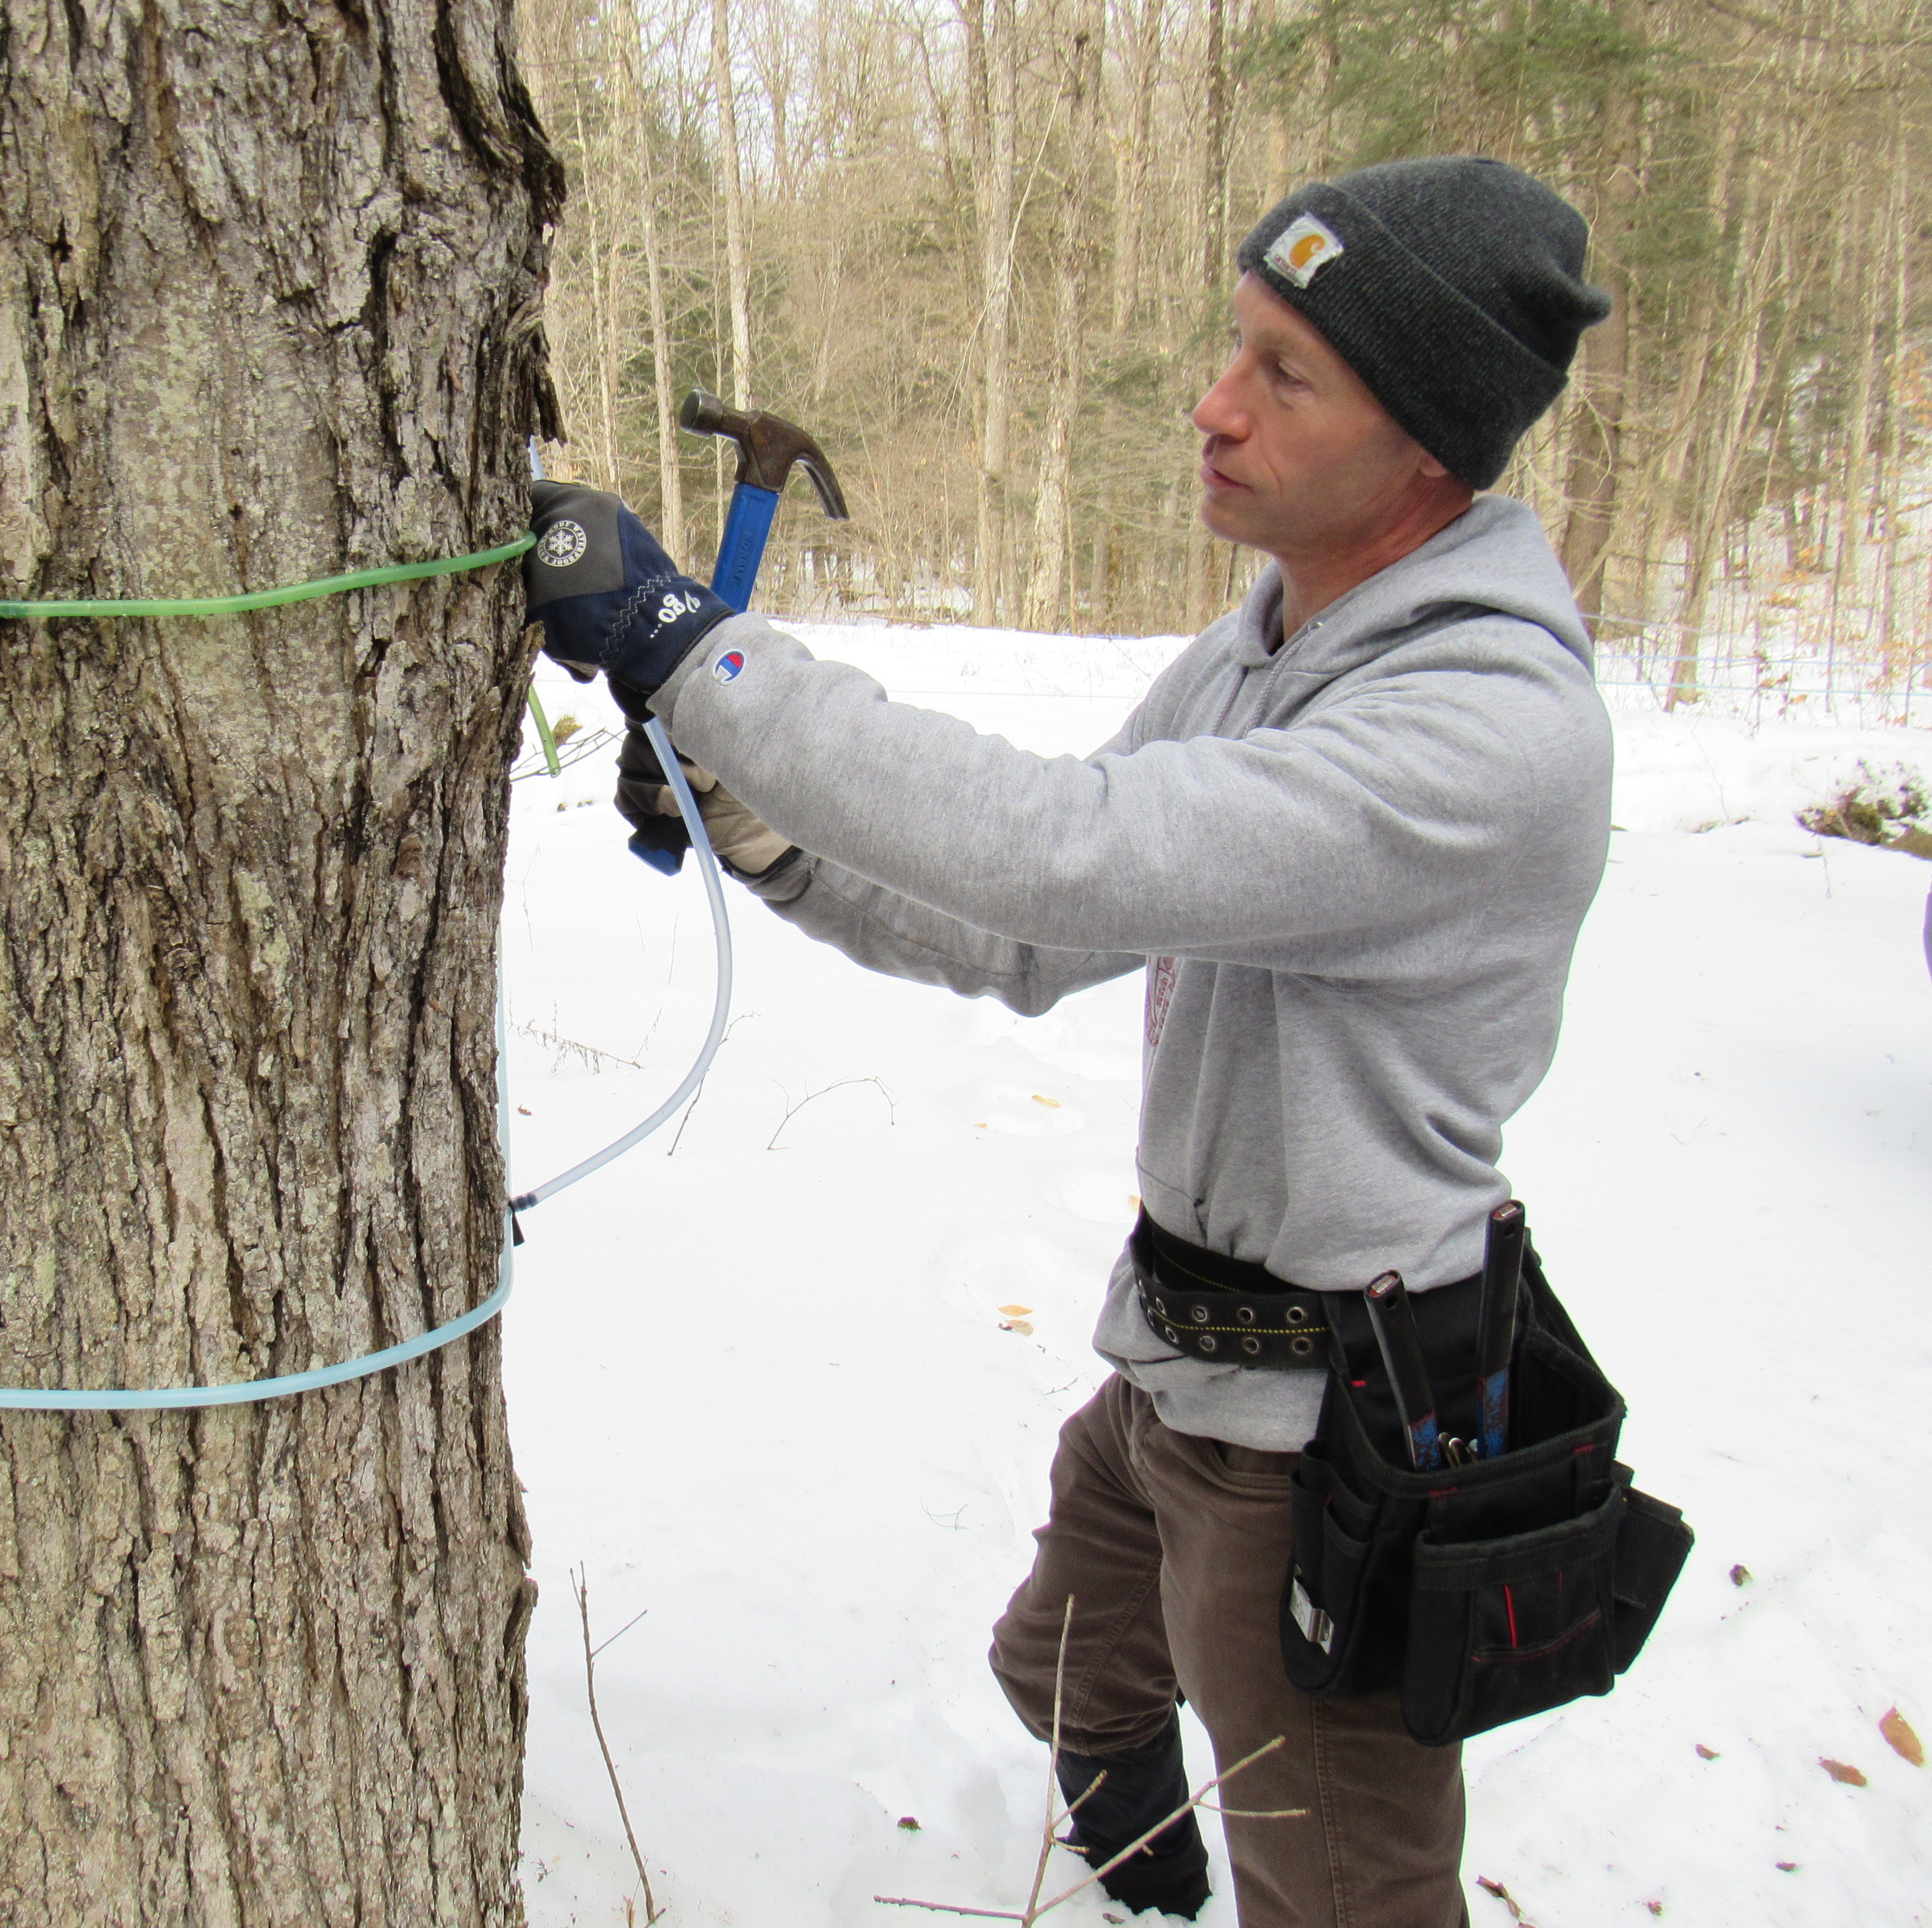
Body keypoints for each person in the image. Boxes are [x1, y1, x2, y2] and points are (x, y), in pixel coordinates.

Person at [524, 156, 1613, 1926]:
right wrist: (777, 845)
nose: (1216, 404)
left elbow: (1066, 843)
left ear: (1427, 441)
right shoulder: (1277, 640)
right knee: (1066, 1669)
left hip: (1335, 1438)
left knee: (1348, 1886)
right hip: (1178, 1367)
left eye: (1289, 374)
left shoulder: (1484, 734)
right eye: (1235, 346)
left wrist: (694, 652)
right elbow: (1034, 934)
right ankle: (1133, 1869)